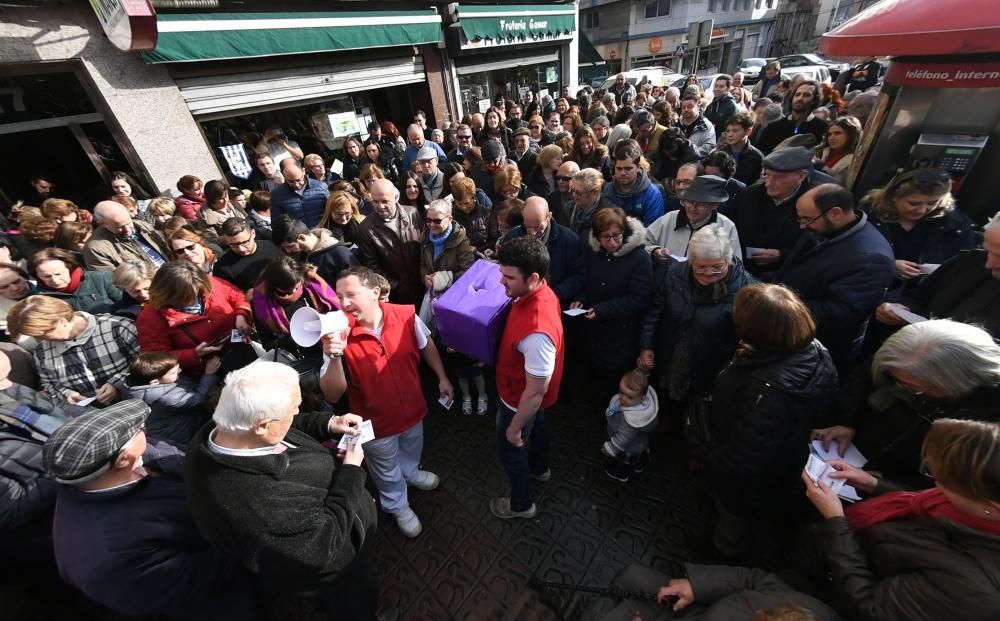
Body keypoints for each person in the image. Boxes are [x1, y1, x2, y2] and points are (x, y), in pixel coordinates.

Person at [185, 361, 380, 619]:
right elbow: (322, 545)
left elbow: (287, 427)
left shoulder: (230, 427)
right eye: (294, 409)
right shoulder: (255, 506)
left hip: (334, 530)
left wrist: (329, 423)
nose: (298, 412)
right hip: (335, 569)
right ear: (263, 425)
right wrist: (352, 471)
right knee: (353, 606)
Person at [42, 400, 252, 619]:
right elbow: (211, 579)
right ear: (123, 460)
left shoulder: (100, 476)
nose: (145, 432)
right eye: (141, 430)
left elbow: (167, 453)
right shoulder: (111, 559)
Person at [802, 418, 1000, 621]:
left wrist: (835, 521)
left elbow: (868, 609)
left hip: (823, 593)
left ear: (991, 507)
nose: (935, 486)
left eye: (942, 480)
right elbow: (925, 504)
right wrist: (874, 484)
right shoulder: (974, 508)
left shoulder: (974, 590)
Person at [704, 283, 838, 559]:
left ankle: (719, 554)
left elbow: (743, 457)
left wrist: (706, 450)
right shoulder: (814, 351)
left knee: (732, 525)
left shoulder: (766, 391)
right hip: (778, 471)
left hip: (746, 484)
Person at [319, 267, 453, 538]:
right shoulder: (337, 335)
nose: (343, 304)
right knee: (385, 469)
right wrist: (334, 356)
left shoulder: (405, 314)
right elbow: (332, 394)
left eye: (351, 295)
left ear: (375, 293)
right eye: (339, 296)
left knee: (412, 446)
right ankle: (397, 504)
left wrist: (442, 376)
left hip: (412, 408)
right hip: (375, 422)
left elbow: (425, 343)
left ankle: (411, 471)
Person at [815, 320, 1000, 495]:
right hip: (855, 454)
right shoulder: (900, 362)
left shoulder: (987, 424)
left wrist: (881, 485)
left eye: (911, 387)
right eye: (893, 378)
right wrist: (848, 421)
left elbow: (949, 488)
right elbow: (863, 378)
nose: (898, 388)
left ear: (951, 384)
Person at [639, 225, 756, 414]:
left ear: (728, 260)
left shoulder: (748, 291)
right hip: (670, 356)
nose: (709, 273)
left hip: (710, 369)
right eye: (700, 267)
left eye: (718, 267)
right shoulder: (674, 273)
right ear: (690, 261)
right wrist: (647, 346)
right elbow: (655, 313)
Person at [778, 184, 895, 371]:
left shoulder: (871, 258)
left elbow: (840, 313)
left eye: (807, 219)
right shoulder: (826, 229)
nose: (802, 226)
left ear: (835, 213)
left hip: (816, 347)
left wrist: (776, 304)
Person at [492, 236, 565, 519]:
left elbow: (535, 392)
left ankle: (521, 505)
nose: (502, 283)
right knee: (540, 426)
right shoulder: (543, 292)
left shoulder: (536, 331)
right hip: (535, 399)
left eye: (509, 277)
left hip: (517, 401)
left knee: (511, 452)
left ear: (532, 277)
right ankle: (540, 469)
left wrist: (514, 429)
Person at [569, 207, 652, 414]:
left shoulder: (639, 258)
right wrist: (580, 299)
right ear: (596, 237)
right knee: (595, 368)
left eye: (616, 236)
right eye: (605, 237)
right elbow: (585, 281)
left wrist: (603, 310)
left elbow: (639, 298)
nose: (612, 242)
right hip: (595, 328)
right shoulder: (593, 253)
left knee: (614, 375)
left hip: (621, 331)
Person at [874, 211, 1000, 338]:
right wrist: (902, 309)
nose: (989, 264)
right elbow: (921, 295)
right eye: (988, 251)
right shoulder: (970, 260)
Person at [864, 168, 976, 301]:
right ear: (893, 197)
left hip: (920, 298)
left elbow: (964, 266)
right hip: (872, 292)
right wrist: (888, 265)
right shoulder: (869, 216)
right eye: (914, 203)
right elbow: (848, 253)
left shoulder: (955, 225)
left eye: (932, 203)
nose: (922, 210)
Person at [7, 295, 139, 405]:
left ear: (62, 321)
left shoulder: (117, 328)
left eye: (43, 334)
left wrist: (117, 384)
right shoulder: (43, 351)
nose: (40, 340)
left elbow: (148, 362)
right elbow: (49, 383)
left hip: (136, 404)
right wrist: (67, 394)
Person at [137, 262, 252, 375]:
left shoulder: (210, 283)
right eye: (184, 297)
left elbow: (238, 296)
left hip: (242, 346)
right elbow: (156, 358)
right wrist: (194, 354)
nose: (192, 300)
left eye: (195, 294)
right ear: (166, 294)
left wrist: (241, 315)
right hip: (209, 369)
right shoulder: (149, 318)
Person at [728, 146, 816, 276]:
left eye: (778, 178)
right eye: (767, 175)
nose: (768, 183)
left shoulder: (815, 205)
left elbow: (817, 248)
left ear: (802, 176)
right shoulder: (748, 196)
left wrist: (783, 255)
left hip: (784, 275)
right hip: (740, 270)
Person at [644, 176, 742, 271]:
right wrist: (654, 252)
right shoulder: (669, 219)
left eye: (701, 204)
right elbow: (642, 244)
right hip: (665, 283)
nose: (693, 208)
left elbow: (735, 266)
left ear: (715, 205)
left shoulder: (727, 227)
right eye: (690, 202)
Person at [503, 197, 585, 306]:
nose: (532, 232)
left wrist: (552, 295)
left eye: (537, 226)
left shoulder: (569, 240)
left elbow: (578, 274)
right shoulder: (512, 238)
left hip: (556, 302)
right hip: (520, 302)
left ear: (549, 217)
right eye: (528, 226)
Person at [354, 178, 424, 306]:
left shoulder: (412, 213)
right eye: (375, 201)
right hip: (398, 296)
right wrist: (396, 286)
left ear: (396, 197)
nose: (380, 206)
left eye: (385, 201)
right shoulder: (365, 229)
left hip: (423, 285)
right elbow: (371, 266)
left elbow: (424, 246)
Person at [250, 255, 341, 353]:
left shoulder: (313, 285)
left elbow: (339, 310)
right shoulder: (261, 303)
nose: (294, 292)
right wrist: (293, 338)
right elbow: (268, 343)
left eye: (297, 287)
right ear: (273, 287)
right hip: (303, 357)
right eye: (286, 292)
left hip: (334, 344)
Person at [125, 351, 220, 444]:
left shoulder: (139, 383)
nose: (180, 371)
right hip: (179, 436)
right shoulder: (169, 399)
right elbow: (199, 399)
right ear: (154, 382)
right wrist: (209, 374)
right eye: (173, 372)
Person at [599, 370, 658, 483]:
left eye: (629, 397)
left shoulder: (631, 419)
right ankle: (639, 465)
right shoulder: (645, 406)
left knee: (622, 461)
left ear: (642, 398)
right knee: (639, 455)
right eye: (621, 392)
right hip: (639, 443)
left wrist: (610, 448)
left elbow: (622, 438)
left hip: (627, 447)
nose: (623, 398)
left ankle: (619, 473)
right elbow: (638, 380)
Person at [82, 200, 170, 272]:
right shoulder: (95, 249)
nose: (127, 229)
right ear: (101, 224)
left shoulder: (142, 225)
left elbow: (166, 250)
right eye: (119, 227)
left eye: (128, 222)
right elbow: (114, 281)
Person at [273, 215, 358, 288]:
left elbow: (356, 284)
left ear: (302, 238)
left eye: (290, 246)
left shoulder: (340, 254)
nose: (287, 251)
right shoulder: (300, 255)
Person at [31, 248, 122, 313]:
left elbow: (128, 305)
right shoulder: (42, 299)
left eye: (58, 274)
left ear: (70, 268)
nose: (54, 280)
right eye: (46, 276)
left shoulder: (101, 279)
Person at [756, 81, 830, 156]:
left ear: (814, 100)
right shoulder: (773, 127)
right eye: (797, 94)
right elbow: (758, 155)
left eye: (806, 95)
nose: (800, 98)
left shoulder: (823, 128)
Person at [603, 140, 665, 227]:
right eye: (619, 168)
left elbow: (652, 230)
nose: (623, 173)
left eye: (628, 168)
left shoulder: (652, 194)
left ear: (638, 168)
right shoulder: (608, 189)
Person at [212, 217, 284, 291]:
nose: (241, 249)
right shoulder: (222, 267)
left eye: (244, 242)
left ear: (253, 233)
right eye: (233, 245)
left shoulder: (273, 247)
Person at [269, 159, 330, 229]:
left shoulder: (321, 187)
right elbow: (276, 223)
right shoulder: (277, 195)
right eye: (290, 181)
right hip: (298, 238)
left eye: (299, 180)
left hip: (324, 234)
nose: (296, 185)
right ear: (283, 175)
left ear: (303, 171)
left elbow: (331, 213)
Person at [450, 176, 498, 254]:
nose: (464, 207)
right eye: (459, 204)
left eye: (467, 203)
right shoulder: (450, 216)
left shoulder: (487, 214)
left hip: (482, 256)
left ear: (474, 197)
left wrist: (476, 250)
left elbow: (494, 239)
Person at [718, 113, 764, 186]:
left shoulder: (756, 156)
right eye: (728, 131)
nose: (730, 135)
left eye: (735, 131)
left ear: (748, 131)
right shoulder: (720, 152)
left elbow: (756, 184)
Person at [815, 115, 862, 185]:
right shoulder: (819, 152)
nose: (831, 138)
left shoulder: (854, 161)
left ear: (851, 135)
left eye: (837, 133)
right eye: (829, 134)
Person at [0, 264, 36, 339]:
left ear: (24, 277)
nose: (15, 288)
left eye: (16, 281)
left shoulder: (49, 287)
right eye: (4, 287)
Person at [704, 74, 738, 140]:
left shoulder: (731, 106)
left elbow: (730, 130)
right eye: (716, 86)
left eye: (721, 86)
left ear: (728, 88)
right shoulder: (711, 105)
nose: (717, 89)